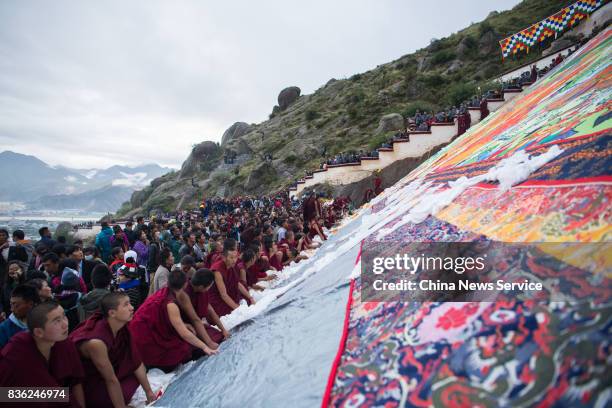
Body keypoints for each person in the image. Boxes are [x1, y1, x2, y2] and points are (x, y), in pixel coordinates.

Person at [70, 292, 157, 407]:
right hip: (91, 383)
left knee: (137, 378)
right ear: (112, 313)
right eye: (126, 305)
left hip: (110, 374)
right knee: (119, 393)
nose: (132, 308)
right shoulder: (97, 342)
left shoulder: (121, 327)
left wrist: (149, 392)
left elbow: (135, 360)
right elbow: (110, 379)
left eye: (130, 303)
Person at [129, 268, 218, 372]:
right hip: (144, 340)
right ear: (185, 285)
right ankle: (151, 364)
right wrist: (205, 347)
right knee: (184, 350)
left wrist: (184, 324)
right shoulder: (170, 303)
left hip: (136, 331)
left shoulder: (164, 291)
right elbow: (184, 333)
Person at [0, 301, 86, 408]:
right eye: (57, 321)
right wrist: (60, 395)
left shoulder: (63, 342)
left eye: (64, 316)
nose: (65, 324)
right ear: (38, 332)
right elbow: (6, 394)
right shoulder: (17, 351)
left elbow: (75, 381)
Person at [184, 268, 230, 344]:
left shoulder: (202, 292)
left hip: (198, 325)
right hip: (183, 327)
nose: (210, 289)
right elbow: (194, 319)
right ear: (201, 287)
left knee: (219, 336)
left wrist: (223, 330)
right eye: (210, 286)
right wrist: (209, 343)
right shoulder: (184, 293)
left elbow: (210, 310)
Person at [209, 244, 255, 317]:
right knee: (233, 314)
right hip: (218, 299)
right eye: (231, 258)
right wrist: (238, 309)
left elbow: (237, 283)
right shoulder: (217, 270)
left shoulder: (231, 266)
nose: (234, 260)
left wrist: (250, 297)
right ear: (224, 258)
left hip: (229, 294)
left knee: (248, 300)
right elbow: (223, 295)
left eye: (236, 257)